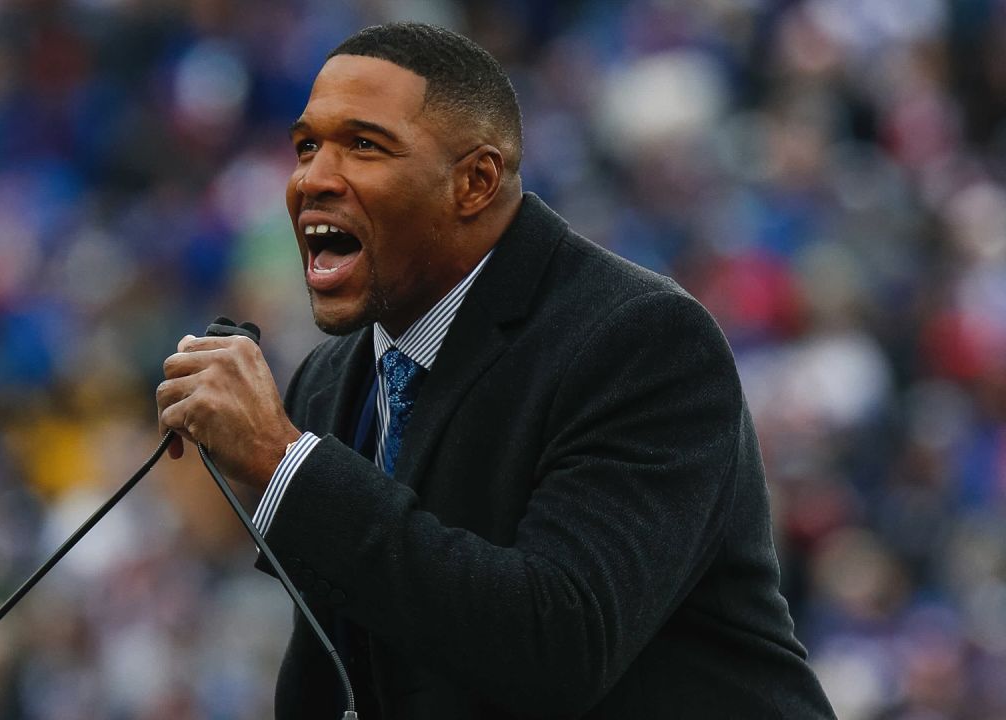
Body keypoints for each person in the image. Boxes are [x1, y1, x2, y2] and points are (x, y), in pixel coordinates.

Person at [155, 21, 836, 719]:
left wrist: (285, 464)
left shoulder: (640, 340)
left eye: (363, 145)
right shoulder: (329, 381)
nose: (313, 179)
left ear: (475, 181)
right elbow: (340, 675)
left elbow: (561, 644)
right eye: (306, 146)